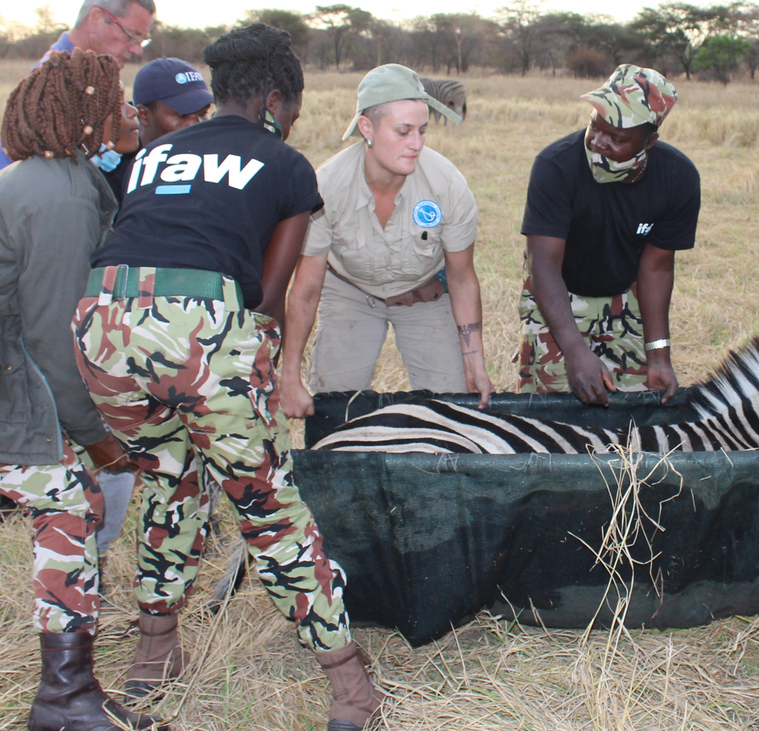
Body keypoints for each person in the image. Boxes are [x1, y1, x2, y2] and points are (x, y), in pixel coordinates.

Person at [71, 24, 382, 731]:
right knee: (266, 502)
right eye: (295, 110)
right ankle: (350, 683)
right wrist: (252, 390)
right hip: (199, 324)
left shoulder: (158, 150)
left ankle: (155, 650)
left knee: (169, 474)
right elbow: (268, 297)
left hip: (101, 323)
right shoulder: (287, 165)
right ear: (275, 98)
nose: (293, 122)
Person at [0, 49, 162, 731]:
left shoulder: (44, 180)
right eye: (121, 101)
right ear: (89, 111)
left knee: (78, 511)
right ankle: (64, 699)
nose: (131, 113)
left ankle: (69, 690)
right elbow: (51, 337)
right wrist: (96, 436)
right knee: (70, 515)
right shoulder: (60, 196)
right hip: (20, 388)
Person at [282, 63, 490, 418]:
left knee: (451, 406)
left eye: (423, 131)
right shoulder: (326, 185)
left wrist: (475, 361)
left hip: (425, 293)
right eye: (404, 131)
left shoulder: (447, 184)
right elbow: (306, 287)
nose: (417, 144)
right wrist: (288, 376)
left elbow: (461, 276)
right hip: (351, 291)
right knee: (335, 404)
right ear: (367, 128)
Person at [516, 63, 700, 406]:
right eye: (594, 127)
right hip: (557, 292)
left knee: (631, 411)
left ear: (649, 141)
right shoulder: (556, 166)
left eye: (616, 138)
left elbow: (656, 268)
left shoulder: (678, 178)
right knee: (549, 410)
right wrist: (574, 352)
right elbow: (543, 266)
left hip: (625, 296)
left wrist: (658, 355)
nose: (598, 143)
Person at [0, 0, 156, 170]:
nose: (137, 51)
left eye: (142, 40)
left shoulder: (87, 78)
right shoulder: (53, 86)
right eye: (130, 36)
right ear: (96, 19)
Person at [104, 56, 213, 202]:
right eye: (182, 115)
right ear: (144, 115)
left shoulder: (216, 165)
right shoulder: (114, 171)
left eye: (202, 114)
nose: (196, 124)